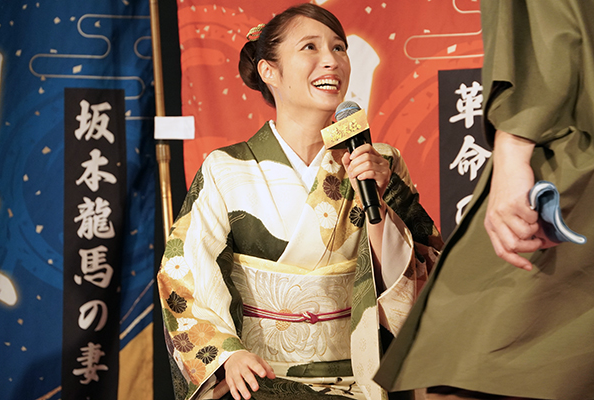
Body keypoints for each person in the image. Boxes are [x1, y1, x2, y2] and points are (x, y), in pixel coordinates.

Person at [157, 4, 442, 400]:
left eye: (339, 48)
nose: (332, 60)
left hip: (360, 378)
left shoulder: (379, 162)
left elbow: (416, 278)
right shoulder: (226, 168)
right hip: (258, 380)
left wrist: (380, 199)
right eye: (310, 47)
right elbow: (185, 273)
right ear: (269, 71)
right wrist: (227, 355)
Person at [373, 1, 594, 399]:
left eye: (338, 47)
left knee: (469, 357)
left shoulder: (386, 159)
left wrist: (513, 149)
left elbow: (545, 36)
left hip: (568, 157)